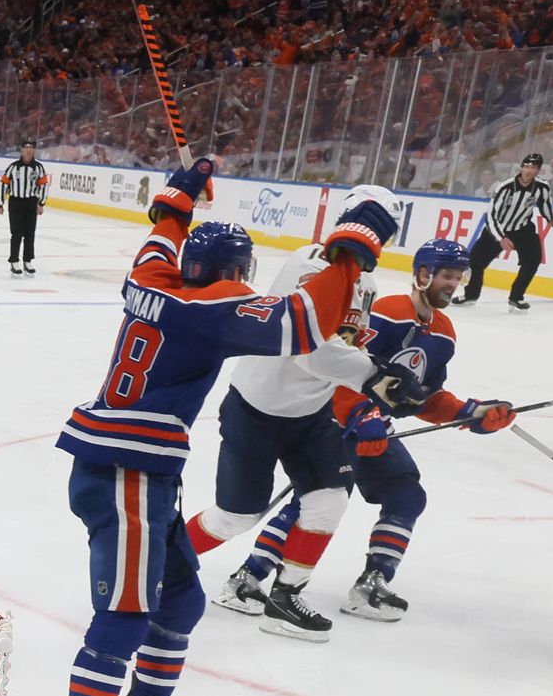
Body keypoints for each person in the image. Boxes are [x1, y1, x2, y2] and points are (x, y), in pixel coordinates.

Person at [41, 157, 397, 696]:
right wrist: (353, 247)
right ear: (236, 272)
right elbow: (302, 324)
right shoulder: (213, 305)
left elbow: (163, 225)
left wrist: (183, 193)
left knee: (182, 600)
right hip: (127, 469)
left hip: (136, 468)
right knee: (125, 612)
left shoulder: (149, 276)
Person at [216, 239, 515, 623]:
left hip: (377, 428)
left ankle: (371, 583)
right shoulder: (387, 313)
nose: (452, 284)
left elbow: (423, 396)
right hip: (333, 422)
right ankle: (248, 578)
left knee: (406, 495)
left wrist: (470, 412)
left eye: (457, 278)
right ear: (423, 275)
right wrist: (359, 413)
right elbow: (339, 369)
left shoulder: (443, 333)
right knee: (313, 503)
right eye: (445, 276)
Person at [181, 194, 399, 642]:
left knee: (329, 502)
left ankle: (284, 598)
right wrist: (374, 378)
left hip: (311, 413)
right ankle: (161, 568)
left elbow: (348, 346)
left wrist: (364, 399)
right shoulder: (310, 265)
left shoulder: (366, 285)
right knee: (235, 518)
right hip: (257, 408)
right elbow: (309, 350)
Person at [455, 153, 553, 311]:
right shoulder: (505, 187)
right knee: (475, 261)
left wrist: (550, 217)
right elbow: (491, 215)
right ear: (521, 167)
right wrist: (501, 238)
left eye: (533, 167)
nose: (529, 170)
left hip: (523, 230)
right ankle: (471, 295)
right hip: (498, 229)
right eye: (526, 166)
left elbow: (545, 203)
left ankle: (516, 297)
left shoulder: (542, 187)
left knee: (533, 261)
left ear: (538, 170)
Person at [0, 138, 49, 275]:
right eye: (26, 147)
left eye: (31, 147)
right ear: (21, 150)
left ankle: (28, 260)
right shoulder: (13, 167)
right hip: (16, 202)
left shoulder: (38, 168)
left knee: (30, 234)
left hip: (31, 203)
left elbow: (44, 185)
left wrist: (41, 203)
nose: (28, 149)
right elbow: (3, 184)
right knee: (16, 233)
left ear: (34, 150)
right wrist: (0, 203)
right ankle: (14, 261)